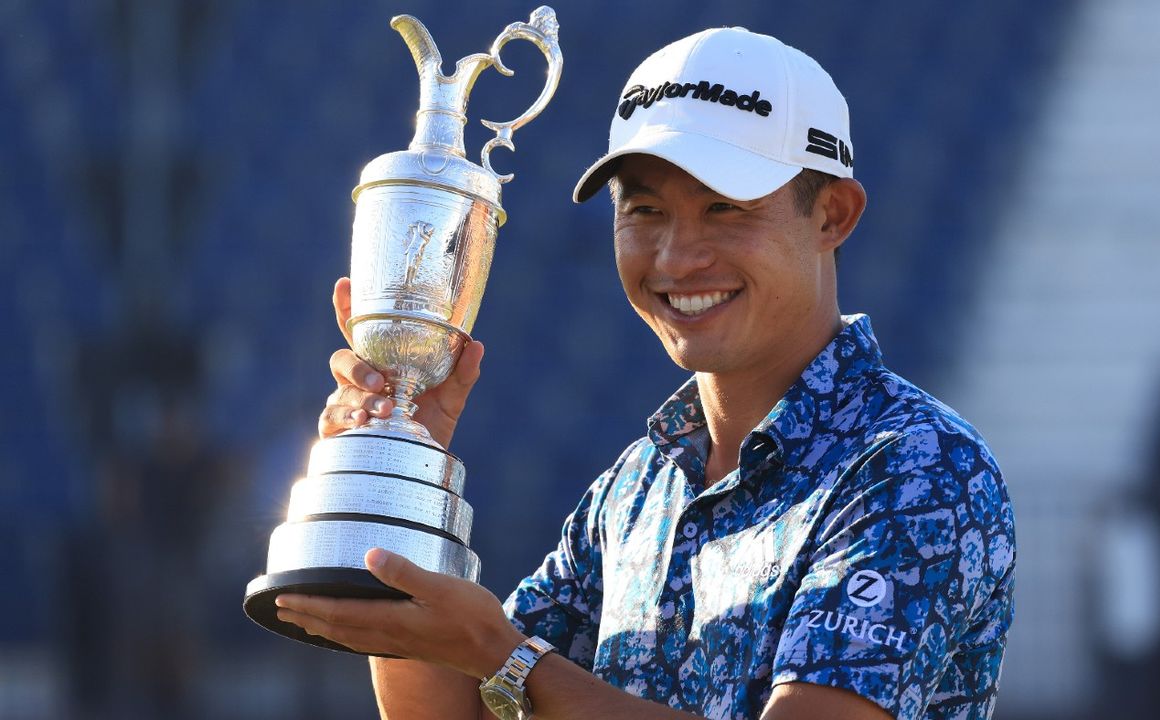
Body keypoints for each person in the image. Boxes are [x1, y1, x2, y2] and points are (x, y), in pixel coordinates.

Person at [276, 26, 1015, 720]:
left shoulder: (918, 467)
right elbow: (463, 710)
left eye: (725, 209)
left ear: (832, 215)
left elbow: (502, 669)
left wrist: (505, 657)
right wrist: (407, 473)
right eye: (646, 210)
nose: (674, 258)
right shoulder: (638, 488)